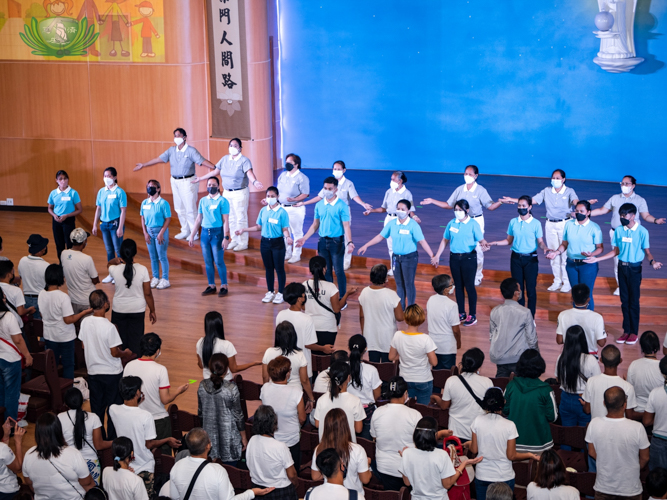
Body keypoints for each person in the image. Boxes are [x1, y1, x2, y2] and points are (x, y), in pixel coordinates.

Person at [585, 203, 662, 344]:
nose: (622, 218)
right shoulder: (619, 231)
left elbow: (647, 252)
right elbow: (616, 251)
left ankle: (634, 332)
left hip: (634, 269)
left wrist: (653, 262)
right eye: (620, 215)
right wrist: (597, 258)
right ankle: (626, 331)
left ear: (633, 216)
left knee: (633, 302)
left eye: (624, 215)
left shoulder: (642, 231)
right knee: (624, 301)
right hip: (622, 268)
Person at [422, 165, 505, 286]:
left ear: (476, 176)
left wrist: (501, 202)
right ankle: (462, 273)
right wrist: (432, 201)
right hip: (461, 221)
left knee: (477, 249)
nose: (467, 176)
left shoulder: (480, 190)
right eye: (466, 173)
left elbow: (491, 206)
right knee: (462, 246)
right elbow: (448, 204)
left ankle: (477, 276)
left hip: (476, 221)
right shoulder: (460, 189)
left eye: (470, 174)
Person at [502, 169, 581, 293]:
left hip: (565, 224)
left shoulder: (569, 191)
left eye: (557, 178)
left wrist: (581, 204)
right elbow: (531, 201)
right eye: (553, 178)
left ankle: (566, 282)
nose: (555, 180)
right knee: (552, 252)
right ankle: (557, 281)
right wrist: (512, 199)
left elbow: (575, 201)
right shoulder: (546, 191)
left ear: (563, 179)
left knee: (564, 254)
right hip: (550, 224)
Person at [134, 128, 216, 240]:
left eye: (179, 135)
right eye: (175, 135)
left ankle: (194, 232)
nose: (176, 138)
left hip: (188, 181)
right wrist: (144, 164)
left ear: (185, 137)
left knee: (190, 208)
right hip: (174, 181)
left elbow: (202, 161)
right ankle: (185, 230)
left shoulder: (191, 151)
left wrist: (215, 167)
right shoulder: (171, 150)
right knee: (179, 208)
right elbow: (158, 159)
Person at [591, 175, 665, 295]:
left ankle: (633, 285)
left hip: (633, 235)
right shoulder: (615, 198)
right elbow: (602, 210)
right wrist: (587, 214)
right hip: (616, 233)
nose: (624, 186)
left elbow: (646, 216)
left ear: (633, 186)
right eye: (622, 183)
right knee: (617, 261)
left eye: (627, 184)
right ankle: (621, 286)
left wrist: (656, 220)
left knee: (632, 261)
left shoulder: (639, 200)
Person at [109, 376, 181, 497]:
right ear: (138, 392)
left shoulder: (113, 409)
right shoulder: (145, 416)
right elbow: (149, 444)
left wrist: (137, 404)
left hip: (124, 464)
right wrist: (167, 439)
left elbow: (128, 414)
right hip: (144, 467)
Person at [296, 161, 372, 270]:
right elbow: (319, 197)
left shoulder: (348, 183)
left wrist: (363, 204)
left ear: (344, 170)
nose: (336, 171)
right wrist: (304, 203)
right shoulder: (329, 184)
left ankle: (346, 261)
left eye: (338, 169)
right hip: (329, 211)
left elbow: (354, 196)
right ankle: (330, 260)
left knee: (345, 236)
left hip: (342, 212)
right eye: (334, 169)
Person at [193, 138, 264, 252]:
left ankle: (243, 242)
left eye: (235, 145)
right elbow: (215, 172)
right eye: (231, 145)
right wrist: (201, 178)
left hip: (240, 192)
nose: (233, 147)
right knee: (230, 217)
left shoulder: (244, 161)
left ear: (240, 148)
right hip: (226, 192)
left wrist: (255, 182)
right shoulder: (225, 159)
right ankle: (234, 239)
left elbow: (249, 173)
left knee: (240, 217)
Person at [359, 199, 433, 308]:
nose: (400, 211)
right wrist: (366, 245)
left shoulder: (413, 225)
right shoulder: (392, 223)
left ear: (408, 211)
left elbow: (422, 241)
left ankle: (410, 308)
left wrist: (432, 256)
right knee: (399, 284)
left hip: (409, 258)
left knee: (408, 284)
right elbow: (380, 236)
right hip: (395, 259)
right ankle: (401, 308)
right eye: (398, 208)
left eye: (403, 209)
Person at [469, 388, 540, 500]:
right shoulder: (509, 425)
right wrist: (530, 455)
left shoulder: (477, 420)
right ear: (503, 403)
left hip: (482, 475)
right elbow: (511, 456)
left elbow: (474, 450)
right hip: (503, 476)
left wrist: (469, 443)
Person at [123, 334, 189, 455]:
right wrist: (178, 391)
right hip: (158, 421)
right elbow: (165, 399)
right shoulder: (160, 369)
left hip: (135, 419)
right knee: (162, 458)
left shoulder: (128, 366)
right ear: (157, 350)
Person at [79, 290, 129, 441]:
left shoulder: (85, 322)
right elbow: (114, 352)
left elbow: (83, 345)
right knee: (113, 409)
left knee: (97, 409)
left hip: (93, 372)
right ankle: (112, 440)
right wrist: (125, 353)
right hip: (112, 373)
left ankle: (99, 439)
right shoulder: (110, 327)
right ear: (106, 304)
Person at [170, 427, 273, 500]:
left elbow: (174, 497)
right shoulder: (217, 470)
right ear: (208, 446)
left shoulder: (176, 466)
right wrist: (252, 492)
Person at [432, 199, 490, 327]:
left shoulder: (473, 224)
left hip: (468, 258)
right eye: (456, 210)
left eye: (460, 210)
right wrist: (437, 255)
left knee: (469, 286)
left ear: (467, 211)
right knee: (458, 286)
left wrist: (485, 245)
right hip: (454, 258)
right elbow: (444, 240)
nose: (457, 212)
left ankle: (472, 315)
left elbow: (481, 240)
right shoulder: (451, 223)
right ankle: (461, 312)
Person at [585, 386, 650, 500]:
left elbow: (591, 452)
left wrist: (605, 462)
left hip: (603, 487)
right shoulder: (637, 427)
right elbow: (645, 458)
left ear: (604, 403)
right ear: (625, 404)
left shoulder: (593, 424)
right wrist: (631, 468)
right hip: (630, 489)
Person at [487, 196, 548, 317]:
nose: (521, 208)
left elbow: (540, 242)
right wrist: (493, 243)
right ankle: (520, 316)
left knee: (531, 290)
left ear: (530, 207)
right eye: (519, 206)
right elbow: (508, 241)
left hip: (531, 260)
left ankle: (531, 317)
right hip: (516, 259)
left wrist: (545, 248)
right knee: (518, 290)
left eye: (524, 206)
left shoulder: (536, 223)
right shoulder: (513, 222)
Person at [296, 177, 353, 297]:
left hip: (336, 242)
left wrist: (350, 242)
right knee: (325, 271)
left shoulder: (342, 206)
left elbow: (346, 225)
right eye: (325, 188)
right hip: (322, 242)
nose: (327, 190)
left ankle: (342, 297)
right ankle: (330, 296)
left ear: (336, 189)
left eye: (330, 188)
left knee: (338, 271)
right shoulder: (319, 205)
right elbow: (315, 224)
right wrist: (304, 238)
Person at [401, 416, 481, 500]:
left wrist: (404, 459)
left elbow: (407, 482)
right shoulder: (441, 455)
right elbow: (447, 484)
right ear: (435, 435)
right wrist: (463, 464)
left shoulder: (407, 453)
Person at [22, 412, 96, 499]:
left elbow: (30, 484)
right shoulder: (73, 454)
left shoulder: (28, 454)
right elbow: (86, 482)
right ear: (59, 430)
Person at [237, 186, 292, 304]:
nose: (270, 198)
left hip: (277, 243)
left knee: (279, 268)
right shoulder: (263, 211)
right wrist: (244, 230)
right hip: (265, 243)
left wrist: (287, 237)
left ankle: (281, 293)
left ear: (277, 197)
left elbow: (285, 228)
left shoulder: (282, 212)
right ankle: (270, 291)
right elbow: (259, 227)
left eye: (272, 196)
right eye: (268, 196)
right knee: (268, 268)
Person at [546, 200, 603, 310]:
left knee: (586, 294)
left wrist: (592, 254)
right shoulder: (569, 224)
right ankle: (576, 321)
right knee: (575, 294)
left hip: (587, 265)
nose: (578, 213)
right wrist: (556, 252)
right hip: (571, 264)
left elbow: (600, 248)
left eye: (582, 211)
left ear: (588, 212)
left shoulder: (594, 228)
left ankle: (587, 322)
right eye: (576, 211)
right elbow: (564, 244)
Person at [39, 264, 92, 379]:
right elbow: (68, 320)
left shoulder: (41, 294)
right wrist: (84, 313)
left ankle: (55, 391)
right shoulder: (63, 297)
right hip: (65, 336)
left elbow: (42, 314)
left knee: (52, 366)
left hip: (49, 335)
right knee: (68, 365)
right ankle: (68, 393)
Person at [370, 376, 422, 491]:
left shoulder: (377, 412)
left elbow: (374, 437)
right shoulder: (415, 415)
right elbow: (420, 443)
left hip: (384, 469)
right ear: (406, 394)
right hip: (408, 470)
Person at [430, 348, 493, 441]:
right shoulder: (487, 382)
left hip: (455, 433)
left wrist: (436, 398)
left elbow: (444, 406)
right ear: (479, 365)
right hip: (477, 435)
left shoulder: (451, 381)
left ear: (462, 363)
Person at [362, 172, 421, 271]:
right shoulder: (389, 192)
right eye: (391, 179)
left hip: (401, 220)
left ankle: (403, 267)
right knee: (390, 246)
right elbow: (383, 208)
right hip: (389, 219)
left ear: (400, 181)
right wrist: (371, 211)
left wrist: (414, 217)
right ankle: (394, 268)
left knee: (400, 244)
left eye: (393, 179)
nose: (391, 181)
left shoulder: (407, 193)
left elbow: (411, 210)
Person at [504, 349, 557, 453]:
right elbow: (553, 417)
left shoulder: (511, 385)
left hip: (513, 444)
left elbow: (505, 410)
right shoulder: (546, 390)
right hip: (540, 445)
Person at [277, 283, 331, 384]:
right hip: (302, 366)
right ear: (300, 299)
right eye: (303, 294)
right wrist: (323, 348)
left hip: (284, 364)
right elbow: (308, 344)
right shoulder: (306, 318)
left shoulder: (280, 315)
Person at [108, 239, 155, 355]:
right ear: (135, 253)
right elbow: (148, 293)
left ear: (121, 253)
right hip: (137, 310)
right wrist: (152, 310)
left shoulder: (114, 269)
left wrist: (115, 260)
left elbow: (109, 264)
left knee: (120, 342)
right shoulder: (142, 269)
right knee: (136, 342)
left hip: (118, 309)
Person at [197, 353, 246, 465]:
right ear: (226, 369)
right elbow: (238, 416)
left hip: (209, 442)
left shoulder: (201, 386)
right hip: (230, 442)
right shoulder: (231, 389)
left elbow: (200, 413)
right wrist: (243, 437)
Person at [58, 387, 112, 485]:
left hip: (68, 463)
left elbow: (59, 443)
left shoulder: (59, 418)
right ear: (82, 400)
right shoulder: (93, 418)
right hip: (91, 462)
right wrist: (114, 441)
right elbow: (99, 445)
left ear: (65, 403)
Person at [312, 409, 372, 496]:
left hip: (331, 495)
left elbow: (315, 476)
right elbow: (365, 480)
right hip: (353, 496)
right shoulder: (357, 450)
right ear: (346, 427)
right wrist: (367, 464)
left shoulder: (320, 448)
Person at [260, 356, 306, 471]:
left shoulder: (265, 388)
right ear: (287, 374)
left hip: (272, 438)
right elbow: (302, 418)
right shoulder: (296, 392)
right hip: (291, 440)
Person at [188, 177, 231, 297]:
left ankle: (224, 285)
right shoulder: (203, 200)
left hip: (217, 234)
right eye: (209, 184)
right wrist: (192, 235)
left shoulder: (223, 201)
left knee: (218, 261)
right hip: (205, 234)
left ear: (218, 186)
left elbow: (226, 220)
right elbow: (198, 219)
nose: (211, 187)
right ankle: (211, 285)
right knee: (208, 261)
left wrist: (226, 237)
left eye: (213, 185)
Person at [246, 405, 298, 500]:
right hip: (281, 491)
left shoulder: (252, 440)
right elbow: (292, 475)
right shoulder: (280, 446)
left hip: (258, 490)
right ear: (274, 423)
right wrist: (296, 485)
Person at [302, 256, 357, 346]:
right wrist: (347, 294)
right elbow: (336, 309)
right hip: (327, 328)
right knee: (325, 358)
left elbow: (303, 307)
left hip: (309, 327)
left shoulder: (304, 285)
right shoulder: (330, 286)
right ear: (324, 269)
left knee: (311, 357)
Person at [389, 304, 438, 404]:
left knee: (406, 408)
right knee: (423, 409)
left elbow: (391, 357)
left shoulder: (398, 335)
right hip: (423, 379)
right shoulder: (425, 339)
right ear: (421, 319)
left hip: (405, 379)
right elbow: (434, 362)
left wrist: (403, 354)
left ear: (406, 318)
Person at [489, 278, 538, 377]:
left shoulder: (494, 311)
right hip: (518, 358)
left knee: (501, 385)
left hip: (499, 357)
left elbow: (492, 336)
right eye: (520, 289)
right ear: (516, 293)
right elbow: (532, 339)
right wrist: (536, 355)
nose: (521, 291)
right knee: (519, 387)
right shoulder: (525, 312)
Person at [555, 325, 601, 428]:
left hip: (565, 398)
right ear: (583, 340)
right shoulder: (590, 360)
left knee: (566, 436)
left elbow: (558, 379)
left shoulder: (561, 358)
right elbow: (597, 382)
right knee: (584, 435)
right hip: (584, 400)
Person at [196, 310, 260, 381]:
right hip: (225, 382)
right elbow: (234, 369)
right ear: (220, 325)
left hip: (207, 381)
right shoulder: (227, 345)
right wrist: (253, 363)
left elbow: (201, 365)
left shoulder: (200, 342)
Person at [262, 321, 315, 405]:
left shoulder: (269, 352)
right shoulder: (299, 355)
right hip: (294, 395)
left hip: (274, 393)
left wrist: (266, 391)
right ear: (294, 337)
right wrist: (311, 398)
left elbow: (265, 377)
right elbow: (304, 380)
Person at [358, 264, 403, 362]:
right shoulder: (391, 294)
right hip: (388, 337)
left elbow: (362, 316)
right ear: (385, 278)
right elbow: (400, 317)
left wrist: (364, 333)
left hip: (370, 336)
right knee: (387, 368)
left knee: (374, 365)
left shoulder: (364, 292)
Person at [0, 288, 33, 420]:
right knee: (12, 395)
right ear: (2, 298)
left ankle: (2, 426)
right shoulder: (8, 316)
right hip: (10, 359)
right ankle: (11, 427)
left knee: (1, 393)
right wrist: (28, 355)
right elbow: (18, 340)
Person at [313, 361, 365, 443]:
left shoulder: (321, 400)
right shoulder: (355, 401)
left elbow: (317, 424)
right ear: (348, 378)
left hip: (326, 449)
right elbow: (358, 429)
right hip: (347, 449)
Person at [583, 345, 639, 421]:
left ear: (601, 360)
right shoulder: (628, 387)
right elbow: (630, 416)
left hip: (597, 429)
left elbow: (587, 410)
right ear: (620, 361)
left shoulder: (591, 381)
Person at [92, 167, 128, 282]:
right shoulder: (101, 192)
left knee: (118, 249)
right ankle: (111, 273)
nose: (107, 178)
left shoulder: (119, 192)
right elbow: (98, 209)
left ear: (115, 177)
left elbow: (123, 210)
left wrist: (120, 227)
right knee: (109, 250)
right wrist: (94, 224)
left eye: (109, 176)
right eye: (105, 176)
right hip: (104, 225)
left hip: (115, 224)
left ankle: (120, 273)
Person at [276, 153, 310, 264]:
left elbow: (305, 194)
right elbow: (278, 191)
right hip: (282, 208)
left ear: (296, 164)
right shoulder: (283, 175)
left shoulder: (302, 178)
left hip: (295, 209)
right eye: (286, 162)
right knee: (285, 231)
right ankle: (288, 252)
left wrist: (294, 199)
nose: (287, 164)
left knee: (296, 232)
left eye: (290, 162)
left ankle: (296, 254)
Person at [347, 335, 382, 439]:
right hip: (368, 413)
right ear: (365, 349)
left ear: (349, 348)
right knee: (366, 444)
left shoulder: (343, 367)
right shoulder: (372, 370)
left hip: (347, 410)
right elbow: (377, 396)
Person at [556, 284, 607, 353]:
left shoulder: (563, 315)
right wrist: (605, 333)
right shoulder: (597, 317)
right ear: (588, 299)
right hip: (590, 357)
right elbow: (601, 343)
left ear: (572, 298)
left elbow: (559, 340)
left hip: (569, 357)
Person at [140, 179, 171, 290]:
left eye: (153, 186)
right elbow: (142, 218)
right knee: (153, 257)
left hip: (160, 232)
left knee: (161, 256)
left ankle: (165, 279)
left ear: (158, 189)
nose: (150, 188)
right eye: (148, 186)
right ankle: (156, 277)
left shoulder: (163, 203)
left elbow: (167, 219)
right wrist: (145, 233)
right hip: (149, 232)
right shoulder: (145, 203)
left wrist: (161, 233)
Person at [425, 274, 461, 369]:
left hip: (433, 344)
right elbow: (456, 330)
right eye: (451, 284)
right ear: (446, 290)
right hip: (447, 347)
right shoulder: (452, 305)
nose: (453, 286)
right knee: (447, 374)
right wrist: (458, 342)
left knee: (436, 372)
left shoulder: (431, 299)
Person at [61, 228, 100, 314]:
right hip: (87, 301)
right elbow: (95, 280)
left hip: (73, 300)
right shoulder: (87, 259)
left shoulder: (64, 254)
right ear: (84, 242)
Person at [47, 170, 83, 261]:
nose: (63, 181)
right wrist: (54, 215)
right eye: (60, 179)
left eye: (65, 178)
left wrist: (67, 215)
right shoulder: (53, 193)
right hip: (56, 221)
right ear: (56, 180)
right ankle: (61, 264)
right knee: (59, 244)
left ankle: (70, 263)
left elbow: (79, 209)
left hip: (68, 221)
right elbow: (49, 208)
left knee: (70, 243)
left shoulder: (73, 193)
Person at [627, 331, 663, 413]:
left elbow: (630, 391)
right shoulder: (662, 368)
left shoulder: (634, 365)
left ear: (642, 347)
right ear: (657, 347)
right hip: (657, 413)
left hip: (637, 411)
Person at [18, 234, 50, 319]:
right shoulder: (46, 266)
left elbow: (21, 278)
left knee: (29, 327)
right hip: (41, 300)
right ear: (42, 249)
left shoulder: (22, 261)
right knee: (40, 328)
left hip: (26, 300)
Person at [644, 357, 667, 471]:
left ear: (662, 373)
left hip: (658, 441)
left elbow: (646, 421)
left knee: (658, 480)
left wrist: (659, 419)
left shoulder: (655, 393)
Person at [0, 260, 35, 333]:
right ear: (8, 275)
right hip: (15, 325)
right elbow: (21, 312)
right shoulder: (16, 290)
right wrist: (29, 309)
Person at [0, 417, 25, 500]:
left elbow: (4, 458)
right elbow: (17, 469)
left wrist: (5, 436)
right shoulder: (2, 448)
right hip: (6, 491)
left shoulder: (2, 448)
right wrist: (18, 441)